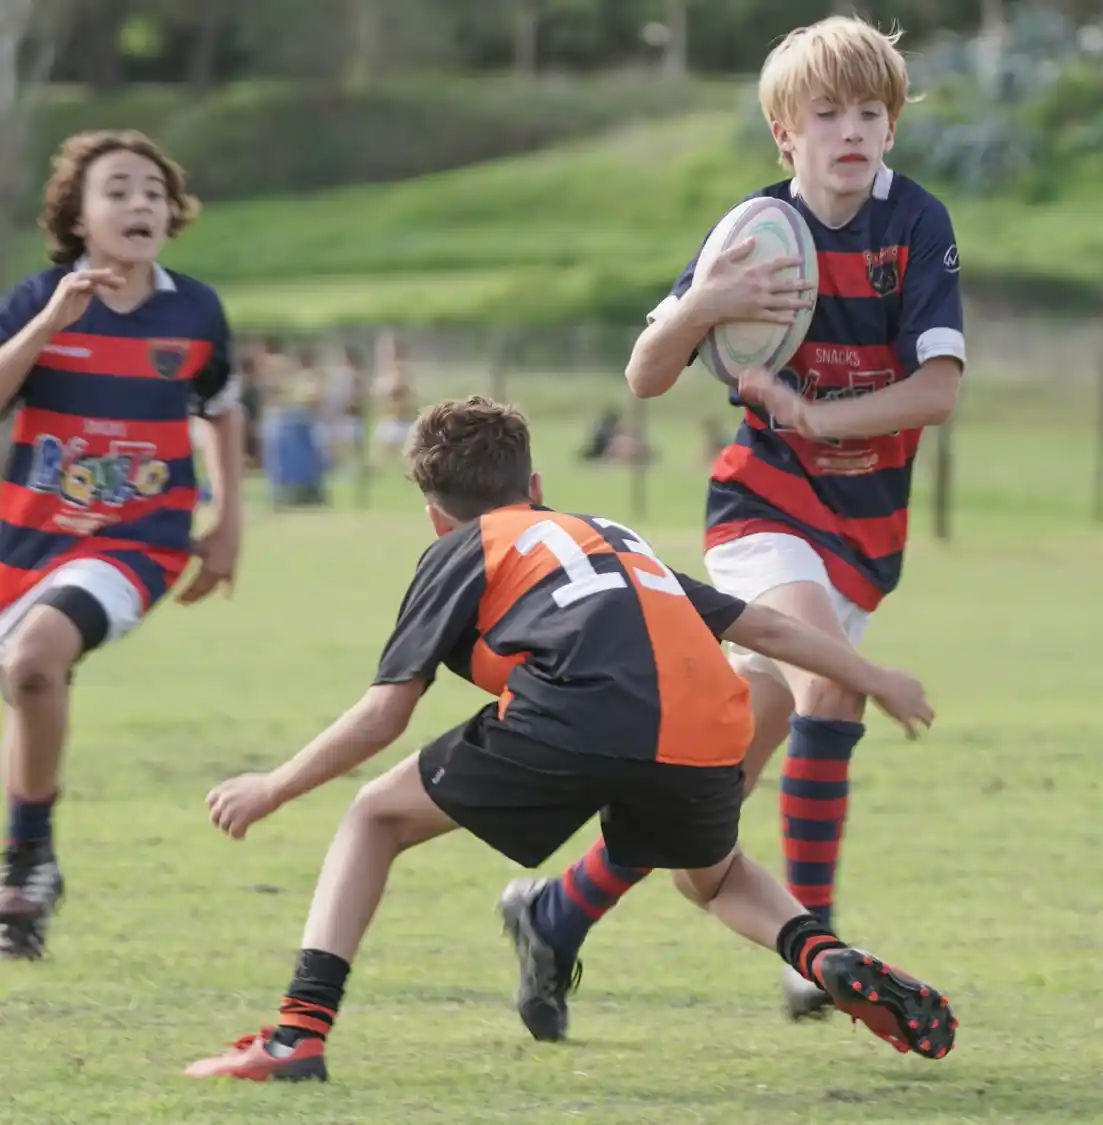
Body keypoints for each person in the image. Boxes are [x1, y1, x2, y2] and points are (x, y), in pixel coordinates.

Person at [184, 395, 957, 1082]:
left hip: (574, 714)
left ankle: (297, 1035)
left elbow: (387, 712)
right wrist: (873, 675)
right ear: (538, 487)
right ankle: (819, 953)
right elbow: (759, 623)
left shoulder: (465, 545)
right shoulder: (609, 536)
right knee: (713, 878)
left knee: (374, 817)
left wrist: (274, 785)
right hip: (710, 722)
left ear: (435, 516)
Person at [501, 12, 968, 1027]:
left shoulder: (915, 226)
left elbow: (937, 391)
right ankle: (819, 952)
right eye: (827, 113)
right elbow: (646, 375)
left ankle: (555, 914)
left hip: (864, 531)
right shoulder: (755, 234)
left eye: (871, 112)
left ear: (892, 129)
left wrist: (821, 412)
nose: (852, 130)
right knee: (828, 690)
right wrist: (698, 304)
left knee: (710, 781)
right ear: (784, 134)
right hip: (762, 507)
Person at [0, 130, 243, 960]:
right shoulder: (37, 297)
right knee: (30, 677)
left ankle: (26, 855)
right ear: (77, 214)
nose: (140, 203)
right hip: (25, 542)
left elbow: (221, 406)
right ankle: (34, 865)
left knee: (34, 661)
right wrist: (48, 322)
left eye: (152, 190)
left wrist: (227, 524)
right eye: (118, 190)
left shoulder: (196, 310)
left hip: (139, 539)